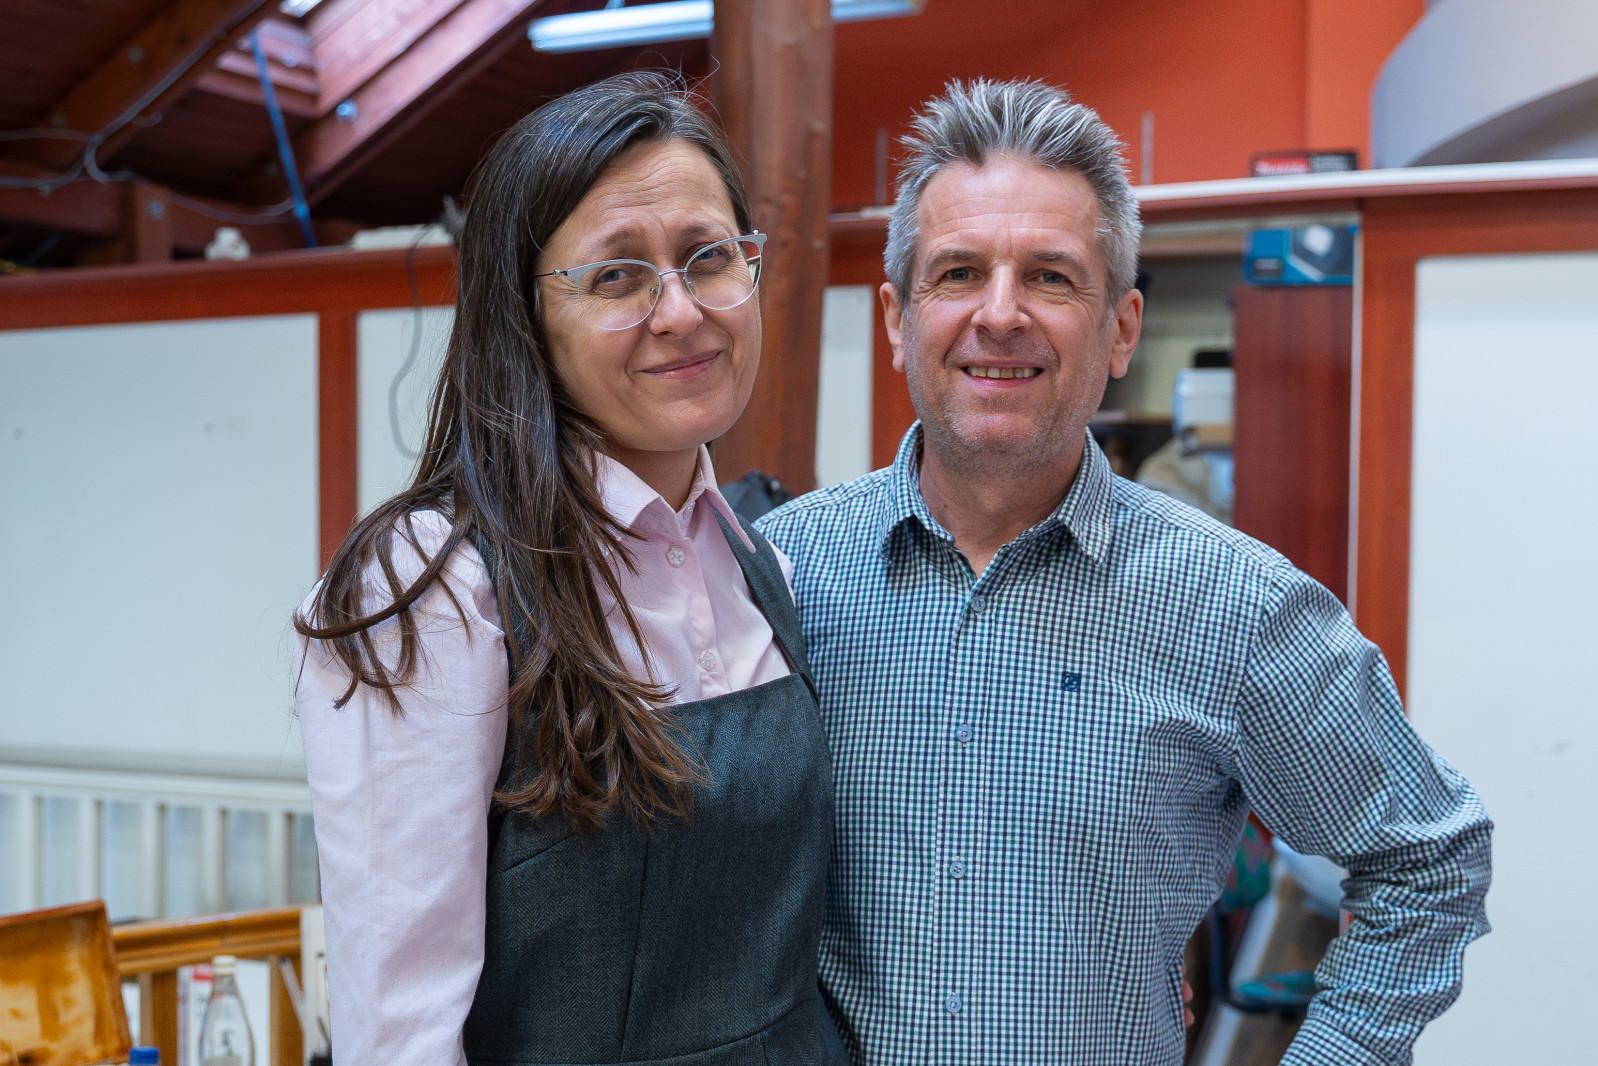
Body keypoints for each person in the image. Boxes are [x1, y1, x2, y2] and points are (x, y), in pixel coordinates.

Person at [756, 78, 1492, 1065]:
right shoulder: (779, 573)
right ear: (897, 318)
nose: (1000, 314)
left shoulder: (1237, 607)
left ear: (1121, 327)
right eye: (958, 272)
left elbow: (1429, 863)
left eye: (1051, 277)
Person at [294, 71, 847, 1066]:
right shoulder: (434, 588)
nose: (680, 311)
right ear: (526, 317)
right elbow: (401, 1028)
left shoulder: (762, 559)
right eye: (617, 277)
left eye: (709, 257)